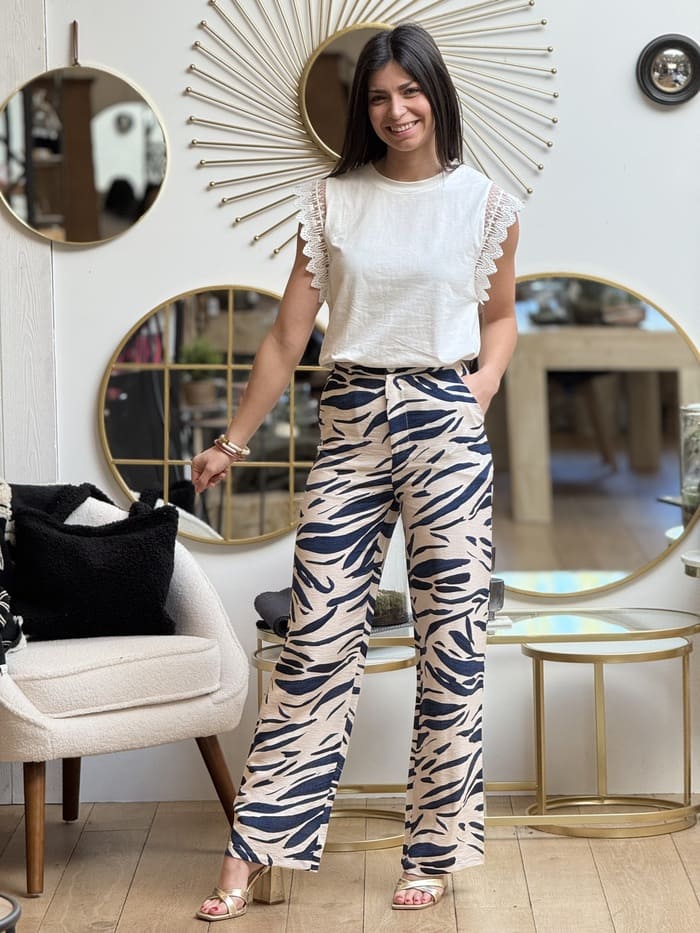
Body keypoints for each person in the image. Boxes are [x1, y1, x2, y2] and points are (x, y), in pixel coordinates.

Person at [191, 21, 520, 920]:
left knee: (452, 641)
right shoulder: (332, 201)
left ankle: (434, 851)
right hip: (350, 419)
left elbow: (500, 317)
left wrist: (481, 387)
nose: (395, 110)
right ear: (361, 109)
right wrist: (232, 441)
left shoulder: (485, 203)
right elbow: (286, 335)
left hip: (445, 422)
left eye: (409, 91)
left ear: (436, 93)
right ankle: (256, 846)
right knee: (316, 635)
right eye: (378, 97)